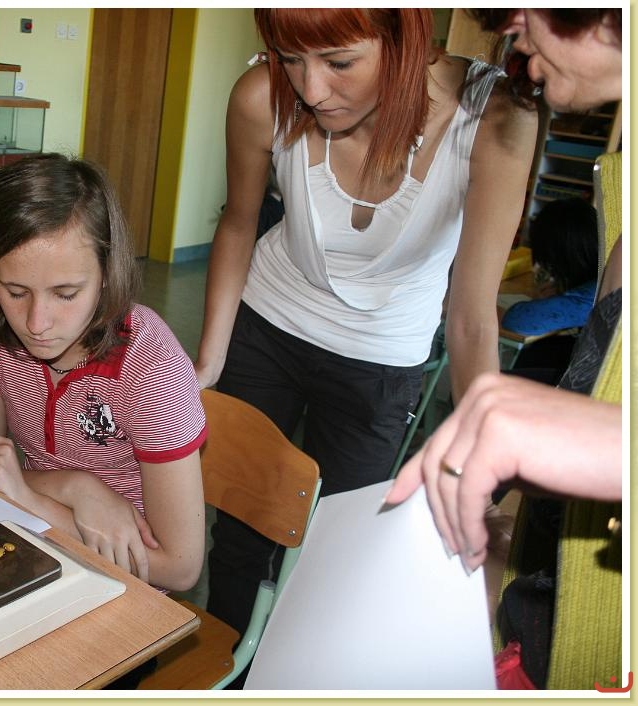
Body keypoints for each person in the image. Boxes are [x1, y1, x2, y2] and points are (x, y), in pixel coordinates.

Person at [197, 8, 538, 645]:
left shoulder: (494, 118)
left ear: (406, 38)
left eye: (339, 62)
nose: (310, 89)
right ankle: (225, 666)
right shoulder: (260, 96)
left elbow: (470, 316)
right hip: (268, 325)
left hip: (383, 355)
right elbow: (240, 222)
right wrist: (208, 365)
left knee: (333, 545)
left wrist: (478, 456)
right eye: (289, 58)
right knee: (241, 527)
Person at [386, 8, 623, 690]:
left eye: (525, 13)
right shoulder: (622, 188)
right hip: (549, 624)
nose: (513, 36)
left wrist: (609, 448)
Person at [0, 153, 206, 596]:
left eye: (66, 293)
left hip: (130, 584)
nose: (37, 323)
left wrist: (30, 498)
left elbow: (180, 568)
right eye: (15, 291)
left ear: (107, 274)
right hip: (28, 543)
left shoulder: (150, 366)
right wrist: (76, 488)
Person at [501, 197, 598, 385]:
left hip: (603, 383)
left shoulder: (587, 298)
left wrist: (544, 302)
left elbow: (517, 320)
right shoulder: (604, 273)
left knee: (483, 384)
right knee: (538, 351)